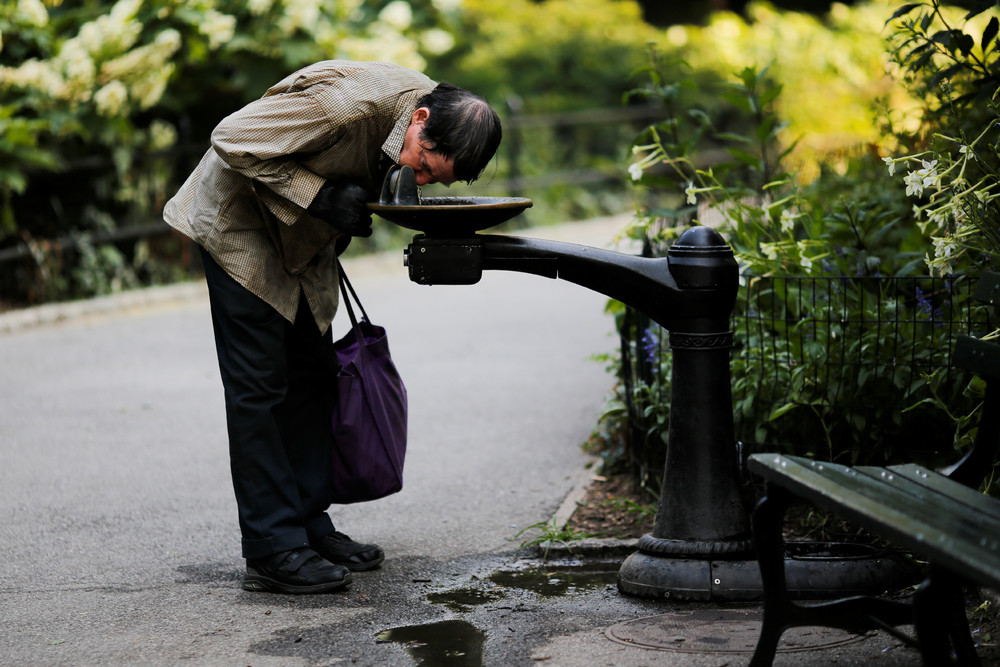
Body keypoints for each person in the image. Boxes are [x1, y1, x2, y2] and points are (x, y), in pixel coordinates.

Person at [163, 60, 502, 594]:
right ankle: (272, 549)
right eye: (425, 168)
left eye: (434, 179)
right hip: (239, 229)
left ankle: (309, 525)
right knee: (260, 390)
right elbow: (230, 137)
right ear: (418, 120)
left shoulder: (418, 122)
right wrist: (321, 197)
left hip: (302, 239)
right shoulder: (344, 105)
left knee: (315, 376)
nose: (421, 180)